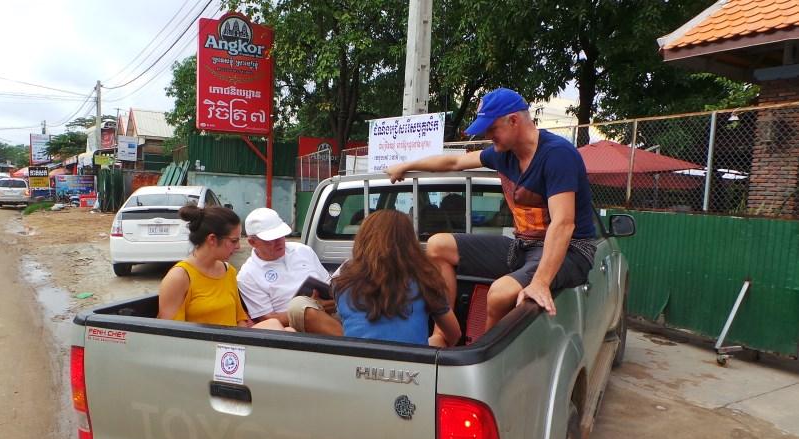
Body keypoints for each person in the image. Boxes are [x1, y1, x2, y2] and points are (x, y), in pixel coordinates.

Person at [386, 87, 597, 329]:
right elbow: (454, 162)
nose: (488, 136)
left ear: (514, 120)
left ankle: (485, 358)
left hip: (570, 250)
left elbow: (563, 223)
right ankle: (446, 335)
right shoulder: (503, 154)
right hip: (524, 246)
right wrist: (405, 165)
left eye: (492, 129)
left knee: (498, 293)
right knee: (437, 245)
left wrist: (540, 282)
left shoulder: (557, 155)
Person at [333, 210, 461, 347]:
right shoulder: (425, 282)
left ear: (362, 240)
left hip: (356, 365)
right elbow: (454, 335)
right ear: (410, 242)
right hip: (413, 365)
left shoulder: (342, 284)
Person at [157, 205, 291, 331]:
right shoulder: (179, 277)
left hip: (230, 347)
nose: (238, 247)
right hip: (202, 348)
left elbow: (240, 320)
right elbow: (171, 333)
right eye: (234, 241)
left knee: (282, 327)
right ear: (212, 240)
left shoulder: (228, 271)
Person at [237, 207, 342, 335]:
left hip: (333, 313)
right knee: (300, 307)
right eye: (271, 240)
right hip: (296, 329)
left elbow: (328, 286)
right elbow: (268, 319)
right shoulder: (248, 275)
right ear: (252, 242)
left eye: (281, 236)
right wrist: (310, 309)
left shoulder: (303, 250)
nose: (279, 242)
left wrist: (329, 303)